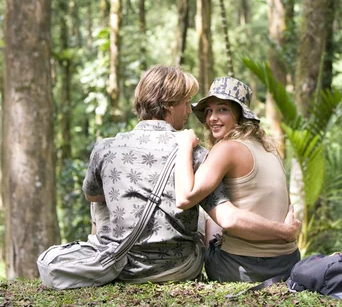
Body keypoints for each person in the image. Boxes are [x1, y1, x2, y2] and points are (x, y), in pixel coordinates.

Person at [83, 66, 300, 284]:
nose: (190, 112)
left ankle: (100, 254)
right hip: (180, 267)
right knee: (212, 202)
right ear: (169, 105)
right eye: (187, 103)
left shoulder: (105, 147)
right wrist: (285, 232)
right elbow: (216, 211)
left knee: (98, 196)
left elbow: (93, 198)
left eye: (221, 110)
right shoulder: (205, 153)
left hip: (121, 266)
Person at [175, 76, 301, 283]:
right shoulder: (269, 148)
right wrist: (285, 232)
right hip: (288, 261)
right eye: (209, 111)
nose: (212, 118)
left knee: (202, 215)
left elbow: (185, 197)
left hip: (245, 266)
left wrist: (184, 145)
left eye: (222, 109)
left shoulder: (227, 148)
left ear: (240, 114)